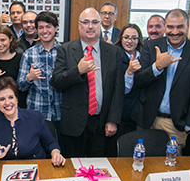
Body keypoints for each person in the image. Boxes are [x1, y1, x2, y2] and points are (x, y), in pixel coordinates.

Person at [132, 9, 190, 152]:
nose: (175, 32)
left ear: (187, 26)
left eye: (180, 27)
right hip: (148, 119)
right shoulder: (151, 46)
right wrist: (157, 67)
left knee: (170, 169)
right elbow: (139, 80)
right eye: (170, 27)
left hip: (176, 124)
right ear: (165, 27)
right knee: (142, 164)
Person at [51, 8, 124, 157]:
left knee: (99, 170)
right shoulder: (65, 49)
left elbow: (118, 89)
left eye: (94, 22)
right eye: (86, 22)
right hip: (74, 123)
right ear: (79, 26)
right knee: (73, 170)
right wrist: (77, 71)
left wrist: (113, 120)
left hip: (102, 123)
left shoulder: (114, 52)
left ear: (100, 26)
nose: (90, 26)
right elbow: (56, 82)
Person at [0, 77, 65, 166]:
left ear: (16, 99)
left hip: (36, 166)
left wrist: (56, 153)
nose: (7, 102)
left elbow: (51, 143)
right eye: (2, 99)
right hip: (5, 170)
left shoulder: (35, 117)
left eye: (11, 97)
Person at [18, 11, 62, 133]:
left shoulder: (64, 52)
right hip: (36, 112)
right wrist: (29, 78)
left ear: (56, 28)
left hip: (60, 113)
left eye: (48, 27)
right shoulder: (28, 54)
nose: (44, 31)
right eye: (41, 27)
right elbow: (20, 86)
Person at [115, 23, 144, 137]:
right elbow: (121, 89)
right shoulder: (115, 56)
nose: (129, 41)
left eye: (134, 38)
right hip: (122, 114)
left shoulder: (144, 57)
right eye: (126, 37)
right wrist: (129, 72)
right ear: (121, 38)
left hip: (140, 114)